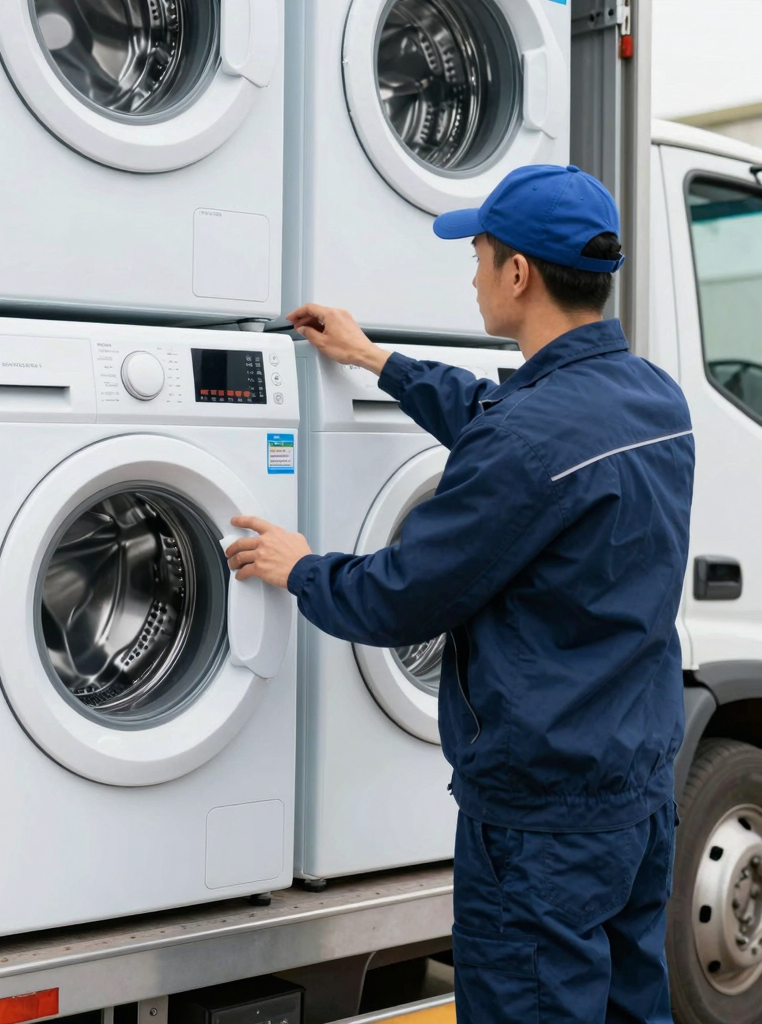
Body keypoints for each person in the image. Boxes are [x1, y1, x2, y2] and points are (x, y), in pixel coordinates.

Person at [224, 164, 694, 1024]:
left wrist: (299, 566)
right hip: (636, 793)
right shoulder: (654, 398)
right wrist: (377, 360)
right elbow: (499, 418)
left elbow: (401, 599)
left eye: (479, 252)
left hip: (540, 822)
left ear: (518, 273)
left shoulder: (526, 438)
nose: (472, 271)